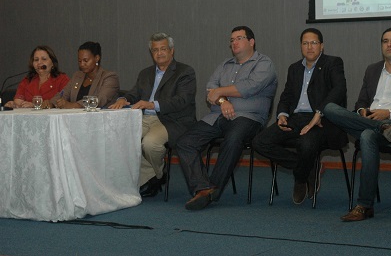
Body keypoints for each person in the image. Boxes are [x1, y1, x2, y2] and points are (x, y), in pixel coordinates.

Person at [323, 27, 391, 221]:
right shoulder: (372, 70)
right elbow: (361, 103)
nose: (389, 44)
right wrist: (363, 111)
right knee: (329, 108)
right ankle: (380, 128)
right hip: (370, 120)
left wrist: (388, 113)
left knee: (366, 135)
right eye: (385, 41)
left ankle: (364, 206)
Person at [176, 26, 277, 210]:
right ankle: (203, 188)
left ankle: (211, 190)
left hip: (249, 117)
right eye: (231, 40)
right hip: (218, 115)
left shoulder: (264, 63)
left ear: (251, 42)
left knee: (233, 138)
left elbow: (250, 87)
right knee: (185, 142)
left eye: (239, 38)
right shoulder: (225, 65)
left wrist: (220, 92)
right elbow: (210, 89)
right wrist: (223, 101)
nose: (234, 43)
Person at [252, 28, 347, 204]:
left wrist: (319, 112)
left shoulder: (333, 63)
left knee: (306, 144)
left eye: (314, 43)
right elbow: (287, 96)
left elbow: (339, 90)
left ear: (322, 46)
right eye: (305, 43)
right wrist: (282, 114)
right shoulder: (294, 68)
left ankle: (300, 178)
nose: (309, 47)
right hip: (295, 119)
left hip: (322, 120)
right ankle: (308, 169)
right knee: (259, 142)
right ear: (301, 46)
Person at [109, 32, 196, 198]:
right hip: (143, 118)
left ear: (172, 50)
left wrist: (152, 104)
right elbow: (133, 94)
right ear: (151, 53)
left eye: (163, 49)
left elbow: (182, 100)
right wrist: (123, 99)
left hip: (172, 120)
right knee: (120, 139)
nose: (159, 53)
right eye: (155, 50)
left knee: (150, 144)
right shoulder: (145, 73)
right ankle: (155, 175)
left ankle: (154, 177)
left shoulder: (185, 72)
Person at [54, 41, 120, 109]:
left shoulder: (109, 77)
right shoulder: (77, 76)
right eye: (79, 61)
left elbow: (100, 99)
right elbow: (63, 94)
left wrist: (74, 105)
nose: (82, 64)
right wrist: (51, 103)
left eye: (86, 60)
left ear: (97, 58)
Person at [4, 46, 70, 109]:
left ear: (52, 63)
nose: (39, 62)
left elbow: (62, 102)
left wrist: (36, 105)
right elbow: (18, 101)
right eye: (36, 60)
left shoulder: (62, 79)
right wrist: (14, 104)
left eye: (44, 59)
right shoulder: (28, 80)